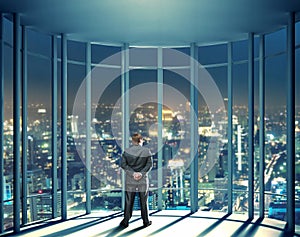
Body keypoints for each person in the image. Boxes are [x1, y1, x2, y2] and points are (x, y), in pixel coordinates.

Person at [119, 133, 153, 228]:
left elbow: (123, 165)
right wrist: (141, 173)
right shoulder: (146, 151)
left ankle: (126, 221)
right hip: (142, 180)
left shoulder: (127, 152)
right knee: (143, 201)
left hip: (130, 180)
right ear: (141, 140)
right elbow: (149, 165)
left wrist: (133, 173)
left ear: (133, 141)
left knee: (129, 201)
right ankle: (146, 221)